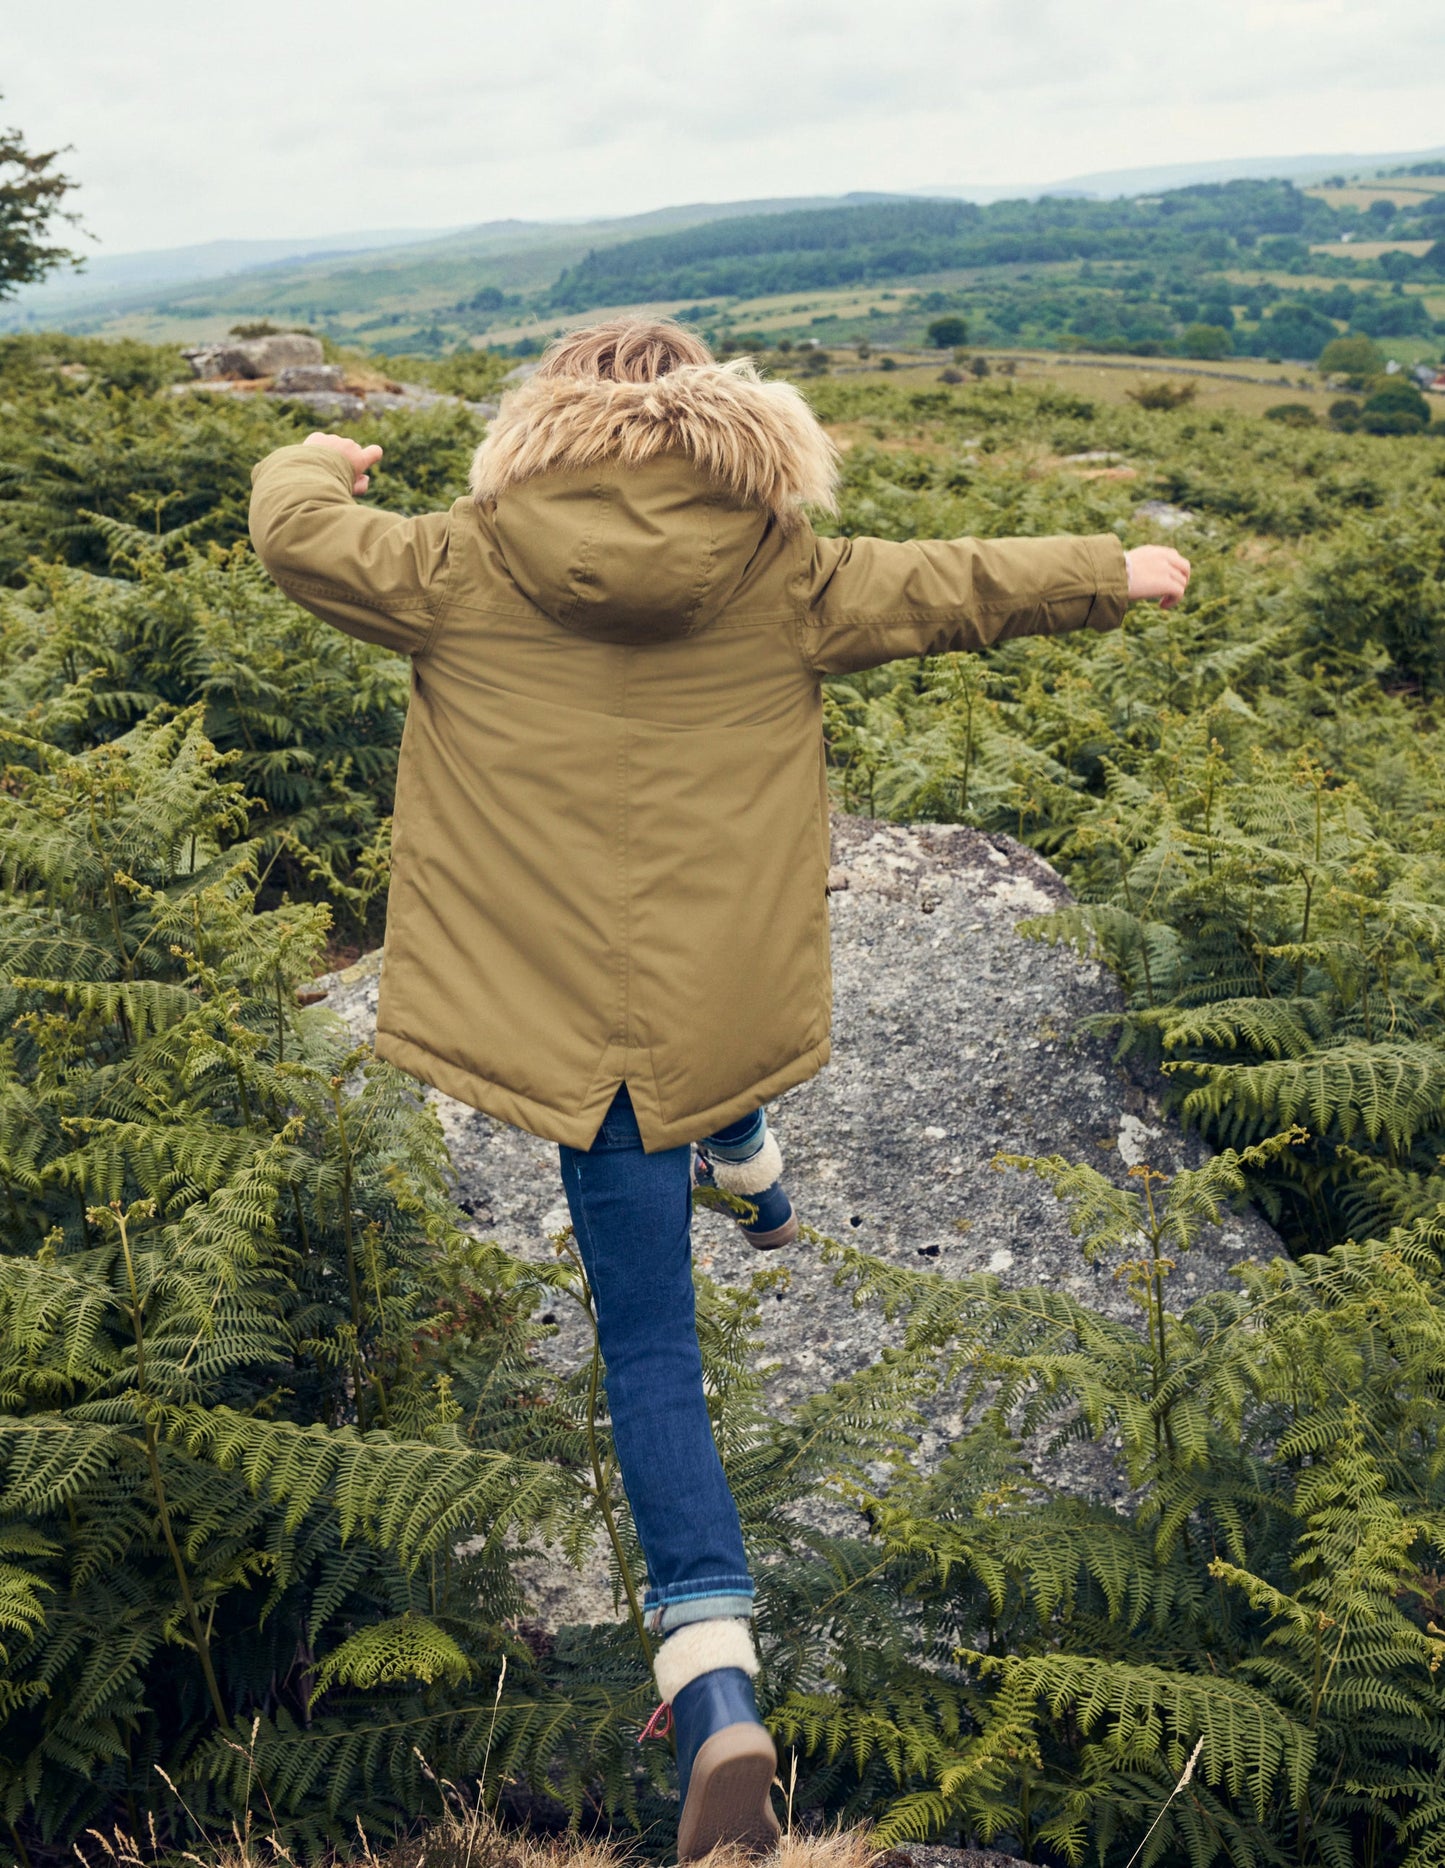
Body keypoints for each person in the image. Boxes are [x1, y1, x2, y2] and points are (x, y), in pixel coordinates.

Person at [248, 318, 1189, 1860]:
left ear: (545, 421)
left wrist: (321, 448)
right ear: (731, 425)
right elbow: (960, 582)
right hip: (716, 1001)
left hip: (564, 1027)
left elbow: (290, 529)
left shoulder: (450, 561)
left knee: (646, 1342)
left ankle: (711, 1688)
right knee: (707, 1100)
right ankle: (744, 1158)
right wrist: (1118, 567)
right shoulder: (784, 568)